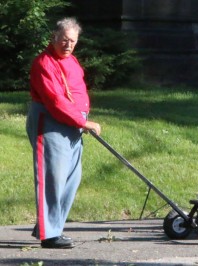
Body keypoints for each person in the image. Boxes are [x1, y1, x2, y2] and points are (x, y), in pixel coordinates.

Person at [27, 17, 102, 249]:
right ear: (54, 38)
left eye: (73, 41)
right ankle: (50, 236)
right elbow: (56, 101)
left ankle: (48, 226)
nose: (68, 45)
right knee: (53, 177)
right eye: (64, 40)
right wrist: (83, 121)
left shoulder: (72, 61)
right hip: (50, 122)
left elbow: (76, 91)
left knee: (71, 177)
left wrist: (82, 120)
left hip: (73, 124)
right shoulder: (44, 63)